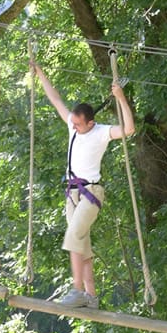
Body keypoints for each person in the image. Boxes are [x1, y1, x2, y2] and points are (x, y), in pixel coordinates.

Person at [30, 63, 135, 308]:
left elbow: (129, 129)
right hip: (72, 193)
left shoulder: (101, 132)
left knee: (73, 236)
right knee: (82, 245)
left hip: (91, 193)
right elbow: (55, 98)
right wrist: (40, 73)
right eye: (73, 123)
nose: (74, 127)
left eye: (78, 124)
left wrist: (120, 98)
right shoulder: (74, 127)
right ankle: (90, 296)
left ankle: (77, 290)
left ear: (90, 122)